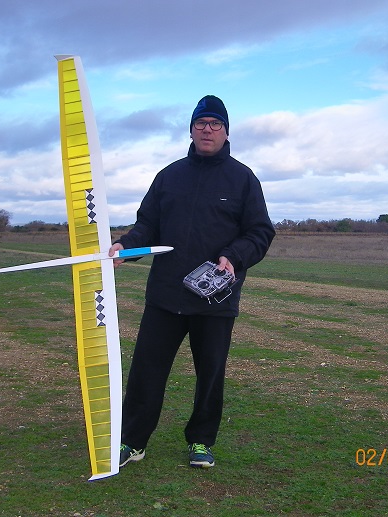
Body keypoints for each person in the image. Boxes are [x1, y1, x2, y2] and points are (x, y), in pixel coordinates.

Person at [109, 95, 275, 469]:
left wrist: (233, 256)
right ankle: (132, 441)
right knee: (146, 372)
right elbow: (147, 226)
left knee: (210, 375)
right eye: (201, 123)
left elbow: (260, 232)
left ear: (226, 132)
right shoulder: (169, 176)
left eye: (215, 124)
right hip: (166, 297)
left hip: (215, 300)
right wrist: (125, 246)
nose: (207, 130)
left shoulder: (243, 179)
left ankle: (201, 441)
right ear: (191, 130)